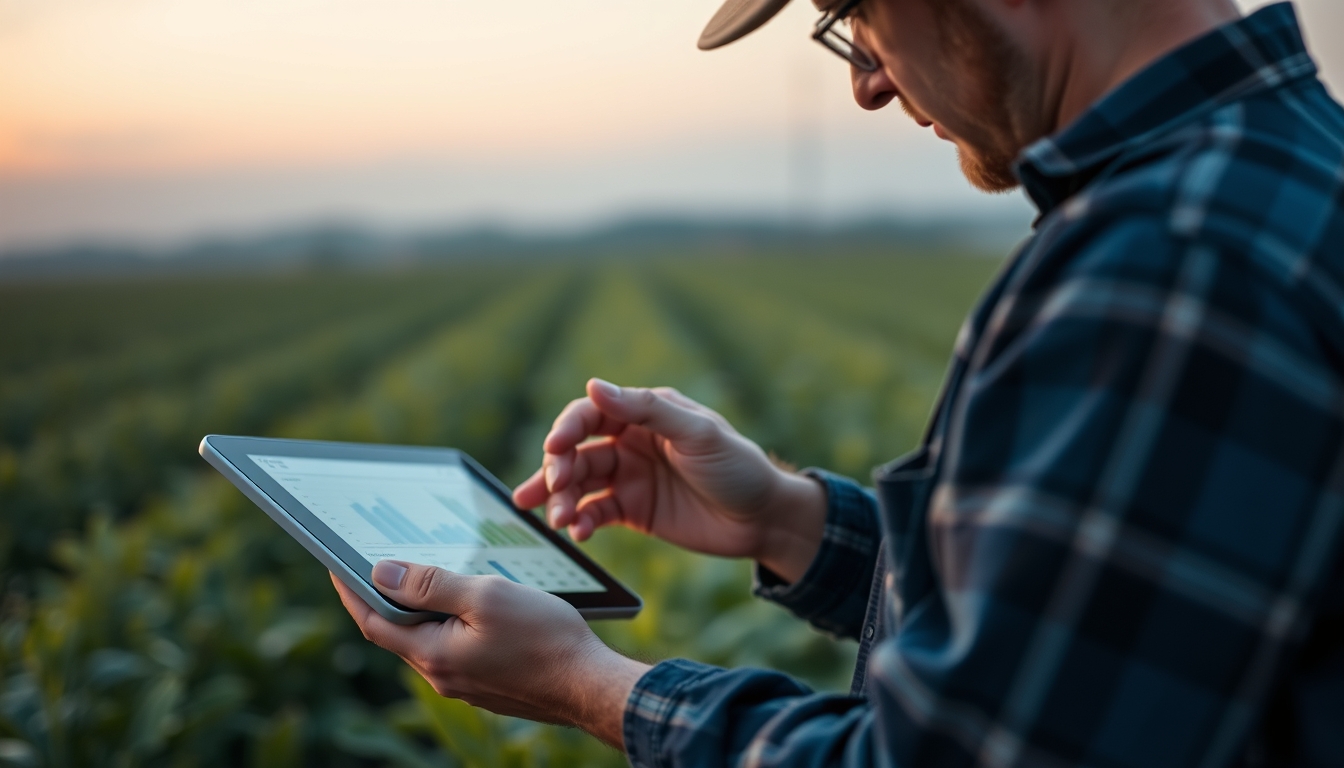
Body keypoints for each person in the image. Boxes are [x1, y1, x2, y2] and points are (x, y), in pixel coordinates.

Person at [331, 0, 1344, 764]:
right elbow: (1107, 630)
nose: (865, 80)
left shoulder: (1167, 262)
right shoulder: (1273, 172)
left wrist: (588, 685)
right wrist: (789, 521)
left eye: (852, 12)